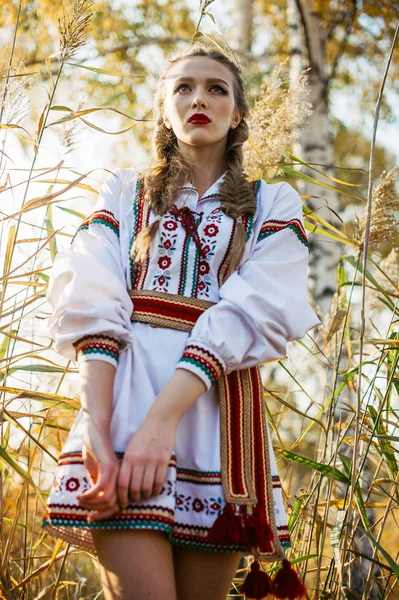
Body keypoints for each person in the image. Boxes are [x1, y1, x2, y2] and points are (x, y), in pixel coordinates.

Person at [42, 42, 321, 600]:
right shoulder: (123, 194)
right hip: (121, 413)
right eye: (184, 87)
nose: (200, 98)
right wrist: (101, 428)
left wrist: (162, 423)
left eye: (218, 89)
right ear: (164, 109)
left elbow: (253, 312)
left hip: (213, 426)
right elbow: (94, 301)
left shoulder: (273, 204)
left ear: (237, 114)